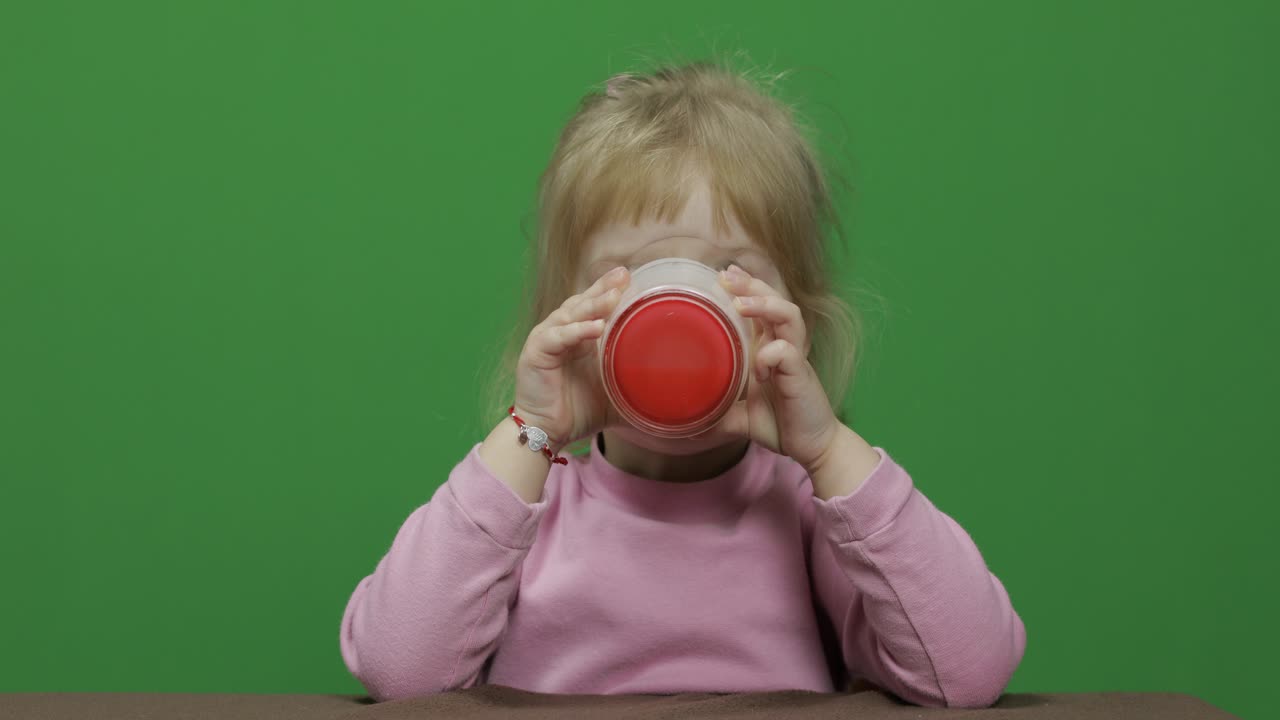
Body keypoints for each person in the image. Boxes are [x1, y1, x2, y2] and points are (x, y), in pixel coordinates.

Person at [339, 59, 1026, 708]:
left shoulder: (808, 514)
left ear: (795, 320)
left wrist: (828, 451)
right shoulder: (531, 509)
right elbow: (401, 673)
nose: (679, 308)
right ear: (567, 314)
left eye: (732, 273)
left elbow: (967, 674)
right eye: (629, 273)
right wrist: (532, 431)